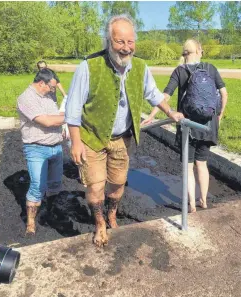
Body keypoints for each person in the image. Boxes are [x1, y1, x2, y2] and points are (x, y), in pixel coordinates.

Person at [65, 14, 184, 247]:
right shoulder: (89, 67)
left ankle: (112, 213)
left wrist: (171, 113)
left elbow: (153, 94)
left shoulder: (140, 67)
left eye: (130, 42)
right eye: (120, 42)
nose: (126, 48)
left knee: (118, 184)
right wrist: (76, 142)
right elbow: (73, 108)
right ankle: (100, 223)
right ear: (108, 41)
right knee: (96, 185)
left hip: (122, 139)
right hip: (92, 138)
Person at [142, 39, 228, 213]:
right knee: (202, 164)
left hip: (188, 126)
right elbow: (224, 93)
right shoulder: (210, 68)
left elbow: (164, 96)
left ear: (184, 53)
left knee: (188, 168)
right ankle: (203, 200)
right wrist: (219, 116)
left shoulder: (180, 71)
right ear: (199, 51)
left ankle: (192, 205)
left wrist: (151, 116)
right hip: (208, 125)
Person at [17, 68, 65, 235]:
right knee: (38, 186)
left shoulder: (48, 96)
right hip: (37, 149)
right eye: (51, 87)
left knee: (55, 184)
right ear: (41, 83)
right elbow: (45, 121)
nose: (53, 91)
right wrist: (71, 117)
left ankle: (51, 211)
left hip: (56, 147)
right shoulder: (26, 98)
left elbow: (56, 116)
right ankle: (30, 223)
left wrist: (63, 123)